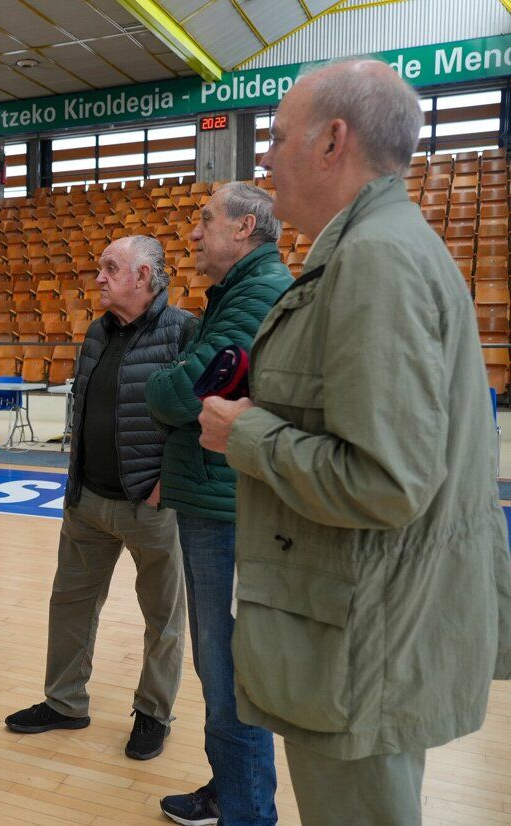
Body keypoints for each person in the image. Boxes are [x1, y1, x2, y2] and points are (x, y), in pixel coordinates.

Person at [198, 59, 511, 825]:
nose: (265, 160)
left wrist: (248, 436)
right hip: (364, 624)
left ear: (333, 140)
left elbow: (385, 480)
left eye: (275, 138)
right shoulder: (375, 246)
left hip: (362, 639)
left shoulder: (375, 260)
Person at [5, 235, 197, 762]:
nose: (100, 277)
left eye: (111, 268)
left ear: (144, 276)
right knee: (70, 603)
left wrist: (168, 482)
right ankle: (65, 702)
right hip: (89, 499)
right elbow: (83, 408)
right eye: (100, 268)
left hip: (151, 504)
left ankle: (154, 713)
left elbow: (199, 415)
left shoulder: (183, 330)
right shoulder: (97, 331)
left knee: (163, 617)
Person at [145, 182, 292, 826]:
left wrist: (163, 383)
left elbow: (183, 393)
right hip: (214, 496)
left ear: (246, 229)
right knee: (216, 659)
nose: (194, 233)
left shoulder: (255, 293)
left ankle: (247, 812)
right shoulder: (237, 292)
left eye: (207, 221)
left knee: (226, 666)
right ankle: (227, 790)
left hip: (226, 506)